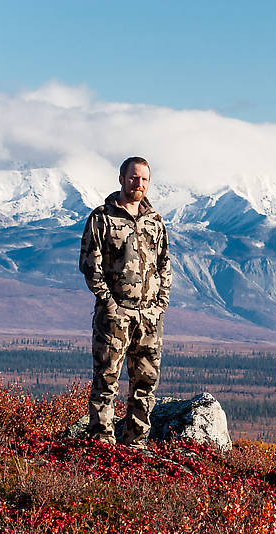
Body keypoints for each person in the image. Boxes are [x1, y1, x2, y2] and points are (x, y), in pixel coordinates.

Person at [78, 156, 172, 448]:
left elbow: (164, 264)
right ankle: (101, 441)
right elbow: (89, 264)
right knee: (106, 379)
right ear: (121, 179)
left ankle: (136, 442)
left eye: (144, 179)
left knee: (145, 384)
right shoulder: (102, 218)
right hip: (115, 316)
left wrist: (160, 305)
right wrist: (108, 303)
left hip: (149, 318)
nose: (139, 184)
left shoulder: (155, 221)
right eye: (134, 178)